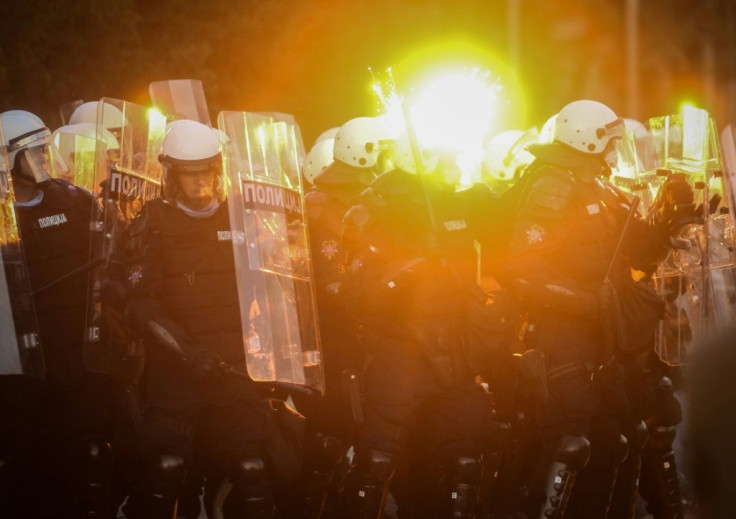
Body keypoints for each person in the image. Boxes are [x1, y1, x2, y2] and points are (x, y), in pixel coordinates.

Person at [500, 100, 694, 519]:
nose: (613, 150)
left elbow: (638, 256)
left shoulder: (603, 187)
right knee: (571, 446)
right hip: (563, 337)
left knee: (618, 442)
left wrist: (669, 220)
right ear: (584, 138)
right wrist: (585, 300)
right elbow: (524, 268)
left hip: (609, 337)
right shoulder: (551, 185)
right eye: (607, 140)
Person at [121, 119, 275, 518]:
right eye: (190, 173)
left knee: (252, 469)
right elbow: (141, 306)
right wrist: (190, 355)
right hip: (177, 374)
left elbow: (274, 288)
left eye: (207, 170)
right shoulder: (151, 222)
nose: (200, 180)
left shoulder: (242, 216)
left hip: (235, 370)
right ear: (171, 175)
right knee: (165, 470)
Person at [338, 158, 497, 518]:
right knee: (376, 462)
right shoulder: (375, 208)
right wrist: (413, 260)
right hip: (399, 355)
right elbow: (357, 297)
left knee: (467, 462)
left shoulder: (463, 203)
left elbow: (508, 252)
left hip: (456, 353)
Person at [0, 111, 116, 517]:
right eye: (33, 152)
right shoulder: (1, 218)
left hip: (81, 358)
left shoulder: (77, 200)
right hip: (25, 370)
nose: (45, 158)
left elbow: (110, 268)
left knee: (91, 458)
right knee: (25, 471)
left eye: (44, 149)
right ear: (6, 160)